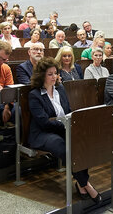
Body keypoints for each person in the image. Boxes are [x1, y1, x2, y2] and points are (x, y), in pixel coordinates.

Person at [28, 57, 100, 203]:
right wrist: (66, 125)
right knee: (63, 147)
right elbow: (43, 122)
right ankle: (86, 184)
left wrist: (72, 123)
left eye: (55, 73)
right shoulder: (34, 95)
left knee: (81, 144)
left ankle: (81, 182)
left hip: (61, 128)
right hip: (43, 133)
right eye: (50, 74)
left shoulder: (60, 89)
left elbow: (68, 110)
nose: (54, 77)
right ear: (41, 75)